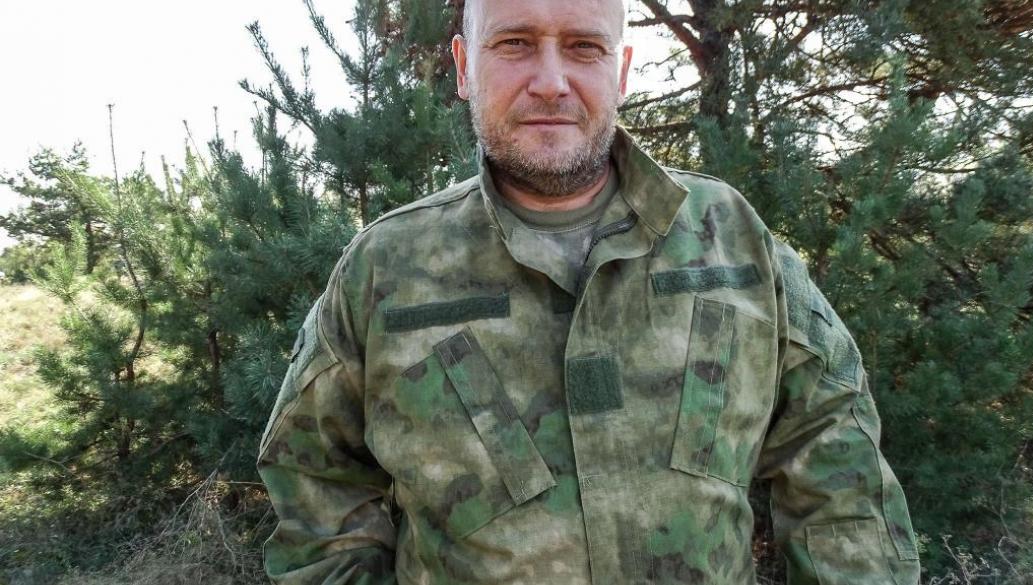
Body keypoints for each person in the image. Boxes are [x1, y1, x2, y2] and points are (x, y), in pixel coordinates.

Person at [256, 0, 921, 583]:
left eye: (583, 46)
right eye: (514, 43)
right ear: (463, 66)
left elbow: (836, 458)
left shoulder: (733, 240)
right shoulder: (386, 268)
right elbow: (313, 476)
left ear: (621, 70)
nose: (551, 81)